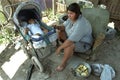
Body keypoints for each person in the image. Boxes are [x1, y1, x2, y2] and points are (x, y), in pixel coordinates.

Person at [54, 3, 93, 71]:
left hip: (83, 43)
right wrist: (57, 27)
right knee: (60, 32)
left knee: (69, 45)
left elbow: (71, 41)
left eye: (71, 13)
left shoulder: (81, 24)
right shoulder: (70, 18)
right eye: (68, 13)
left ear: (77, 13)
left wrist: (59, 48)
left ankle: (63, 63)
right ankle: (66, 49)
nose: (69, 15)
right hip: (72, 38)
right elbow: (64, 26)